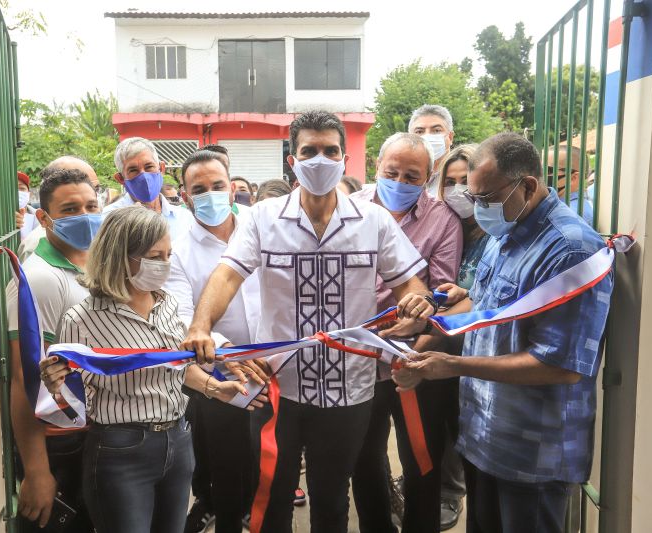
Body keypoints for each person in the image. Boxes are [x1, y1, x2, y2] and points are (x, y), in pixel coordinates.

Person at [180, 111, 438, 533]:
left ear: (345, 158)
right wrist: (200, 324)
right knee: (271, 498)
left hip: (349, 389)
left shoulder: (373, 221)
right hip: (277, 386)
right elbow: (227, 274)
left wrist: (417, 303)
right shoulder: (262, 218)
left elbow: (410, 283)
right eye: (309, 151)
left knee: (333, 499)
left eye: (330, 150)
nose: (320, 159)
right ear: (292, 160)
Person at [392, 133, 614, 533]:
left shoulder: (571, 251)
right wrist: (433, 324)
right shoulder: (505, 233)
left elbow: (560, 365)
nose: (477, 210)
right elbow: (487, 310)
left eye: (485, 198)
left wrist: (453, 365)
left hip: (532, 455)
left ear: (527, 186)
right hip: (485, 437)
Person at [39, 206, 268, 533]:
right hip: (121, 452)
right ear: (121, 255)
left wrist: (216, 389)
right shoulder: (83, 320)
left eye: (168, 255)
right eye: (154, 256)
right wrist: (56, 382)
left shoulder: (166, 304)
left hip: (178, 443)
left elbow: (174, 364)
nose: (165, 265)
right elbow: (75, 396)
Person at [350, 133, 463, 533]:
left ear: (429, 177)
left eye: (412, 176)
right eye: (391, 172)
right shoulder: (351, 209)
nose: (399, 182)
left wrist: (422, 326)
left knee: (421, 458)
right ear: (376, 168)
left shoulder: (442, 220)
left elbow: (444, 292)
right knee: (364, 459)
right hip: (358, 357)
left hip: (414, 359)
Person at [163, 150, 261, 533]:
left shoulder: (260, 226)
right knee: (223, 464)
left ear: (232, 186)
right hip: (218, 374)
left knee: (266, 459)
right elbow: (185, 317)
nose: (210, 194)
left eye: (217, 186)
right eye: (198, 189)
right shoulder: (177, 249)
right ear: (185, 196)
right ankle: (225, 515)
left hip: (275, 363)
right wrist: (229, 354)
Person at [6, 167, 102, 532]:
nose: (84, 216)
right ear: (43, 218)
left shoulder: (93, 261)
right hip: (60, 443)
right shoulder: (40, 277)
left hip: (93, 434)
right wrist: (37, 470)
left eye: (91, 206)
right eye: (70, 210)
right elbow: (23, 377)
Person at [436, 143, 488, 530]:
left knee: (467, 430)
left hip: (480, 351)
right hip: (450, 346)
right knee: (447, 425)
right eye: (449, 182)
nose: (458, 191)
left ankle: (452, 494)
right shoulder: (454, 230)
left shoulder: (496, 233)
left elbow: (483, 299)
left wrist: (429, 331)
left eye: (465, 181)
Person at [102, 137, 194, 241]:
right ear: (120, 178)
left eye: (149, 167)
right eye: (133, 170)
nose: (144, 176)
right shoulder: (108, 220)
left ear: (162, 168)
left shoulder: (185, 218)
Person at [17, 157, 101, 262]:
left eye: (96, 188)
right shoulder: (36, 250)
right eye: (70, 209)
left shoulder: (95, 240)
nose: (91, 193)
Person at [408, 104, 456, 196]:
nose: (427, 136)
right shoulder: (402, 177)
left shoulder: (464, 176)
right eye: (419, 132)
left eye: (437, 130)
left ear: (450, 137)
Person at [547, 145, 593, 225]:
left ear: (573, 178)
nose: (540, 174)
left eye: (548, 170)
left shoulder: (570, 214)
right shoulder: (559, 206)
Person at [16, 171, 39, 239]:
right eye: (12, 188)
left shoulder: (40, 216)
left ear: (29, 194)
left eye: (21, 188)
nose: (17, 192)